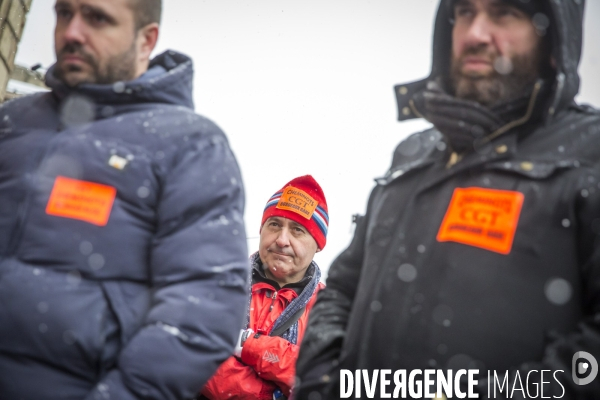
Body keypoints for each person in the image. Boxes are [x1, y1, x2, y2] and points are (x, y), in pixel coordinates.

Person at [296, 0, 600, 398]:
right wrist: (324, 381)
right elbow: (341, 289)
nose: (475, 34)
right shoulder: (411, 155)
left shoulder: (589, 153)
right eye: (465, 12)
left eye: (505, 12)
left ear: (556, 36)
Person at [0, 1, 249, 399]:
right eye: (64, 13)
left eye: (97, 18)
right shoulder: (12, 122)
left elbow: (202, 311)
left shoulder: (191, 145)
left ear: (145, 40)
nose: (71, 32)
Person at [202, 175, 327, 400]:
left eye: (297, 229)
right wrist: (269, 392)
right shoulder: (217, 281)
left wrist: (245, 344)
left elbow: (322, 378)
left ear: (318, 244)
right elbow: (192, 354)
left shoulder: (327, 309)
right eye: (274, 225)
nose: (282, 240)